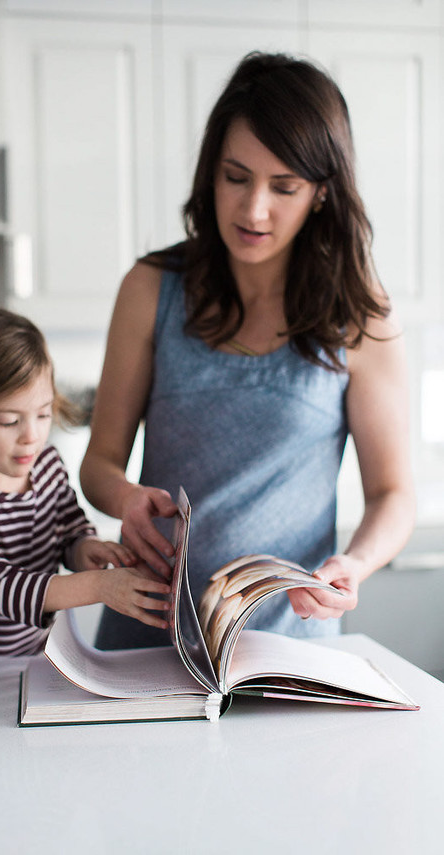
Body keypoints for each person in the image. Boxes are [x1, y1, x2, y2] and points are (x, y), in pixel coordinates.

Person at [80, 51, 415, 650]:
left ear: (320, 193)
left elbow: (392, 493)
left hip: (287, 650)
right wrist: (127, 497)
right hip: (145, 639)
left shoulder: (359, 317)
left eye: (283, 186)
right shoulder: (151, 288)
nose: (253, 208)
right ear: (211, 173)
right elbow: (99, 463)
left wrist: (356, 564)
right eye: (236, 177)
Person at [0, 308, 169, 662]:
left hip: (27, 658)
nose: (32, 436)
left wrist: (84, 548)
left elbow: (69, 530)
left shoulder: (46, 466)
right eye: (9, 421)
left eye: (43, 414)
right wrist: (100, 586)